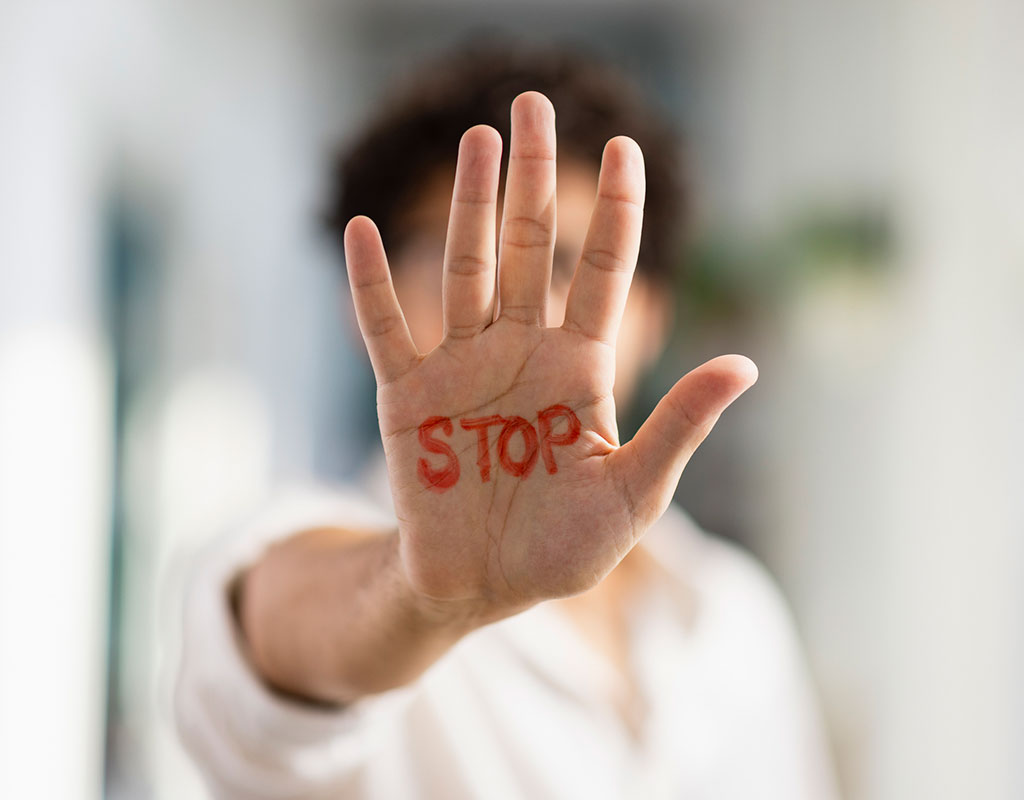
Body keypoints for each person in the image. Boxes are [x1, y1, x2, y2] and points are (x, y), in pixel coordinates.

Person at [174, 44, 839, 799]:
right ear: (362, 308)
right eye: (448, 256)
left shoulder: (734, 613)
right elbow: (286, 641)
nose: (495, 308)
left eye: (559, 264)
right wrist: (427, 599)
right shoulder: (303, 550)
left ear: (650, 313)